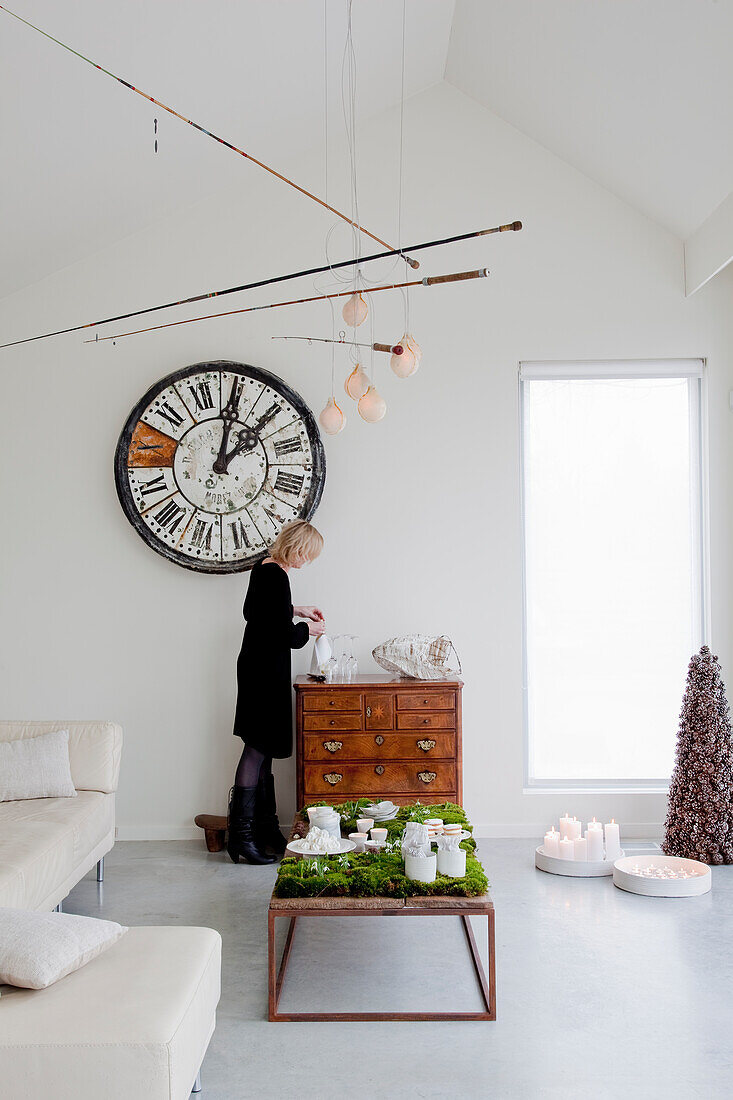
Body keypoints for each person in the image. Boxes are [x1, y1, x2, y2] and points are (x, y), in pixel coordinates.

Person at [228, 520, 325, 864]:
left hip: (258, 667)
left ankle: (263, 829)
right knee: (257, 746)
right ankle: (241, 837)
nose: (307, 561)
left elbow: (255, 613)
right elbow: (283, 634)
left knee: (263, 745)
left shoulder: (265, 568)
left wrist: (296, 610)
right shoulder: (276, 575)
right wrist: (307, 629)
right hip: (264, 670)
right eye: (307, 555)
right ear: (296, 548)